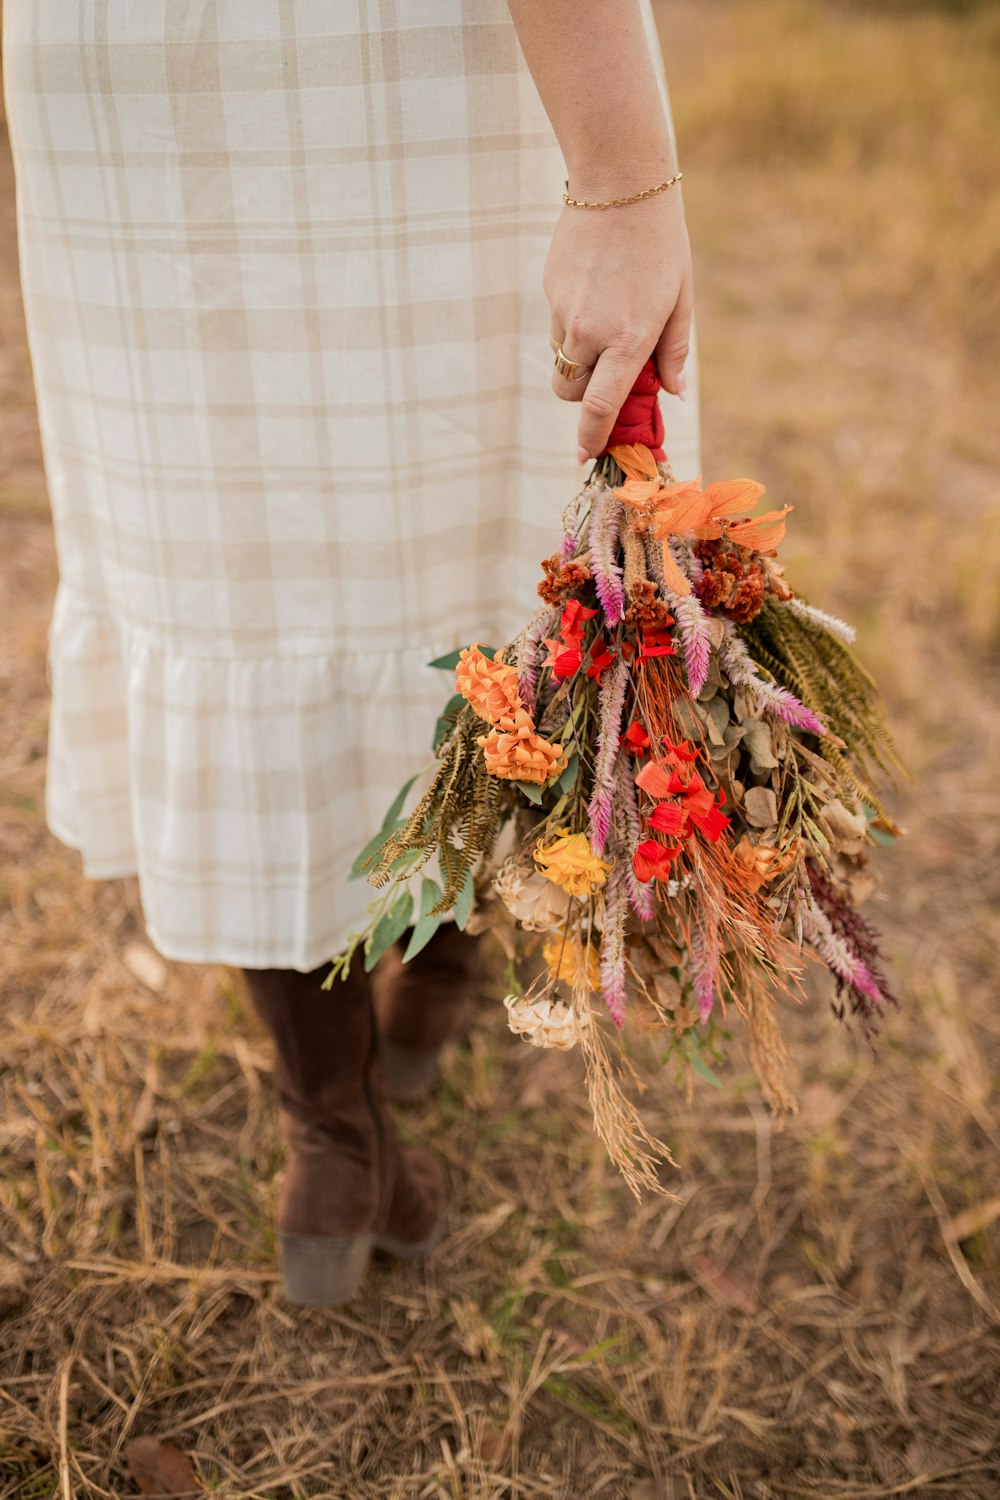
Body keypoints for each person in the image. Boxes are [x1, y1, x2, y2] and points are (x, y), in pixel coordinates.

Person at [2, 0, 700, 1305]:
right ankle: (413, 1014)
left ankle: (341, 1121)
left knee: (226, 568)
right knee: (461, 538)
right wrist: (621, 184)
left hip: (119, 73)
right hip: (388, 59)